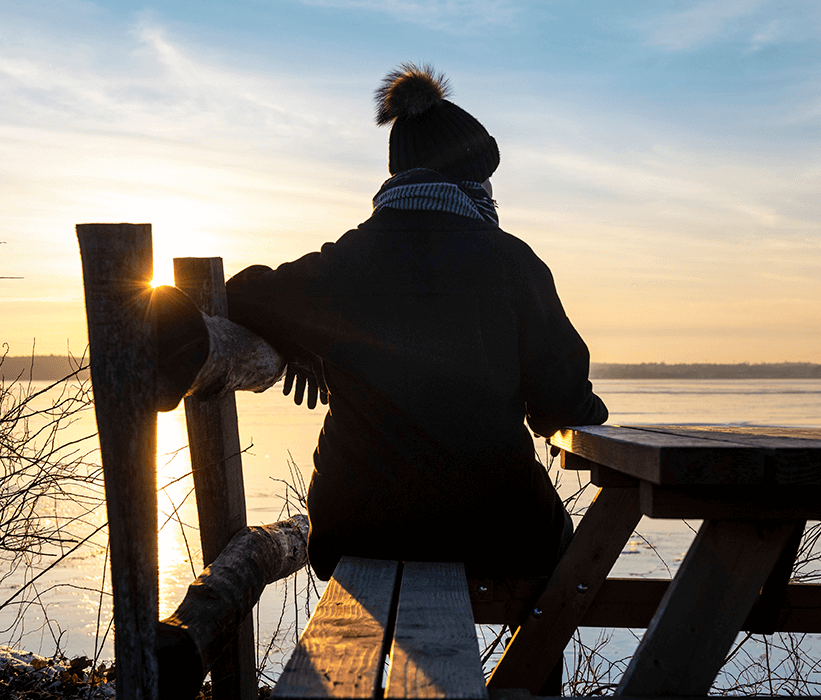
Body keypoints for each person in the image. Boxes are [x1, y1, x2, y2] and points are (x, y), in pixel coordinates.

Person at [226, 63, 608, 583]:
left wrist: (300, 345)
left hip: (357, 533)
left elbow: (241, 297)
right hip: (494, 531)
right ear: (470, 179)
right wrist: (587, 408)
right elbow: (561, 406)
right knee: (560, 577)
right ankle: (531, 666)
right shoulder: (512, 264)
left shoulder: (345, 263)